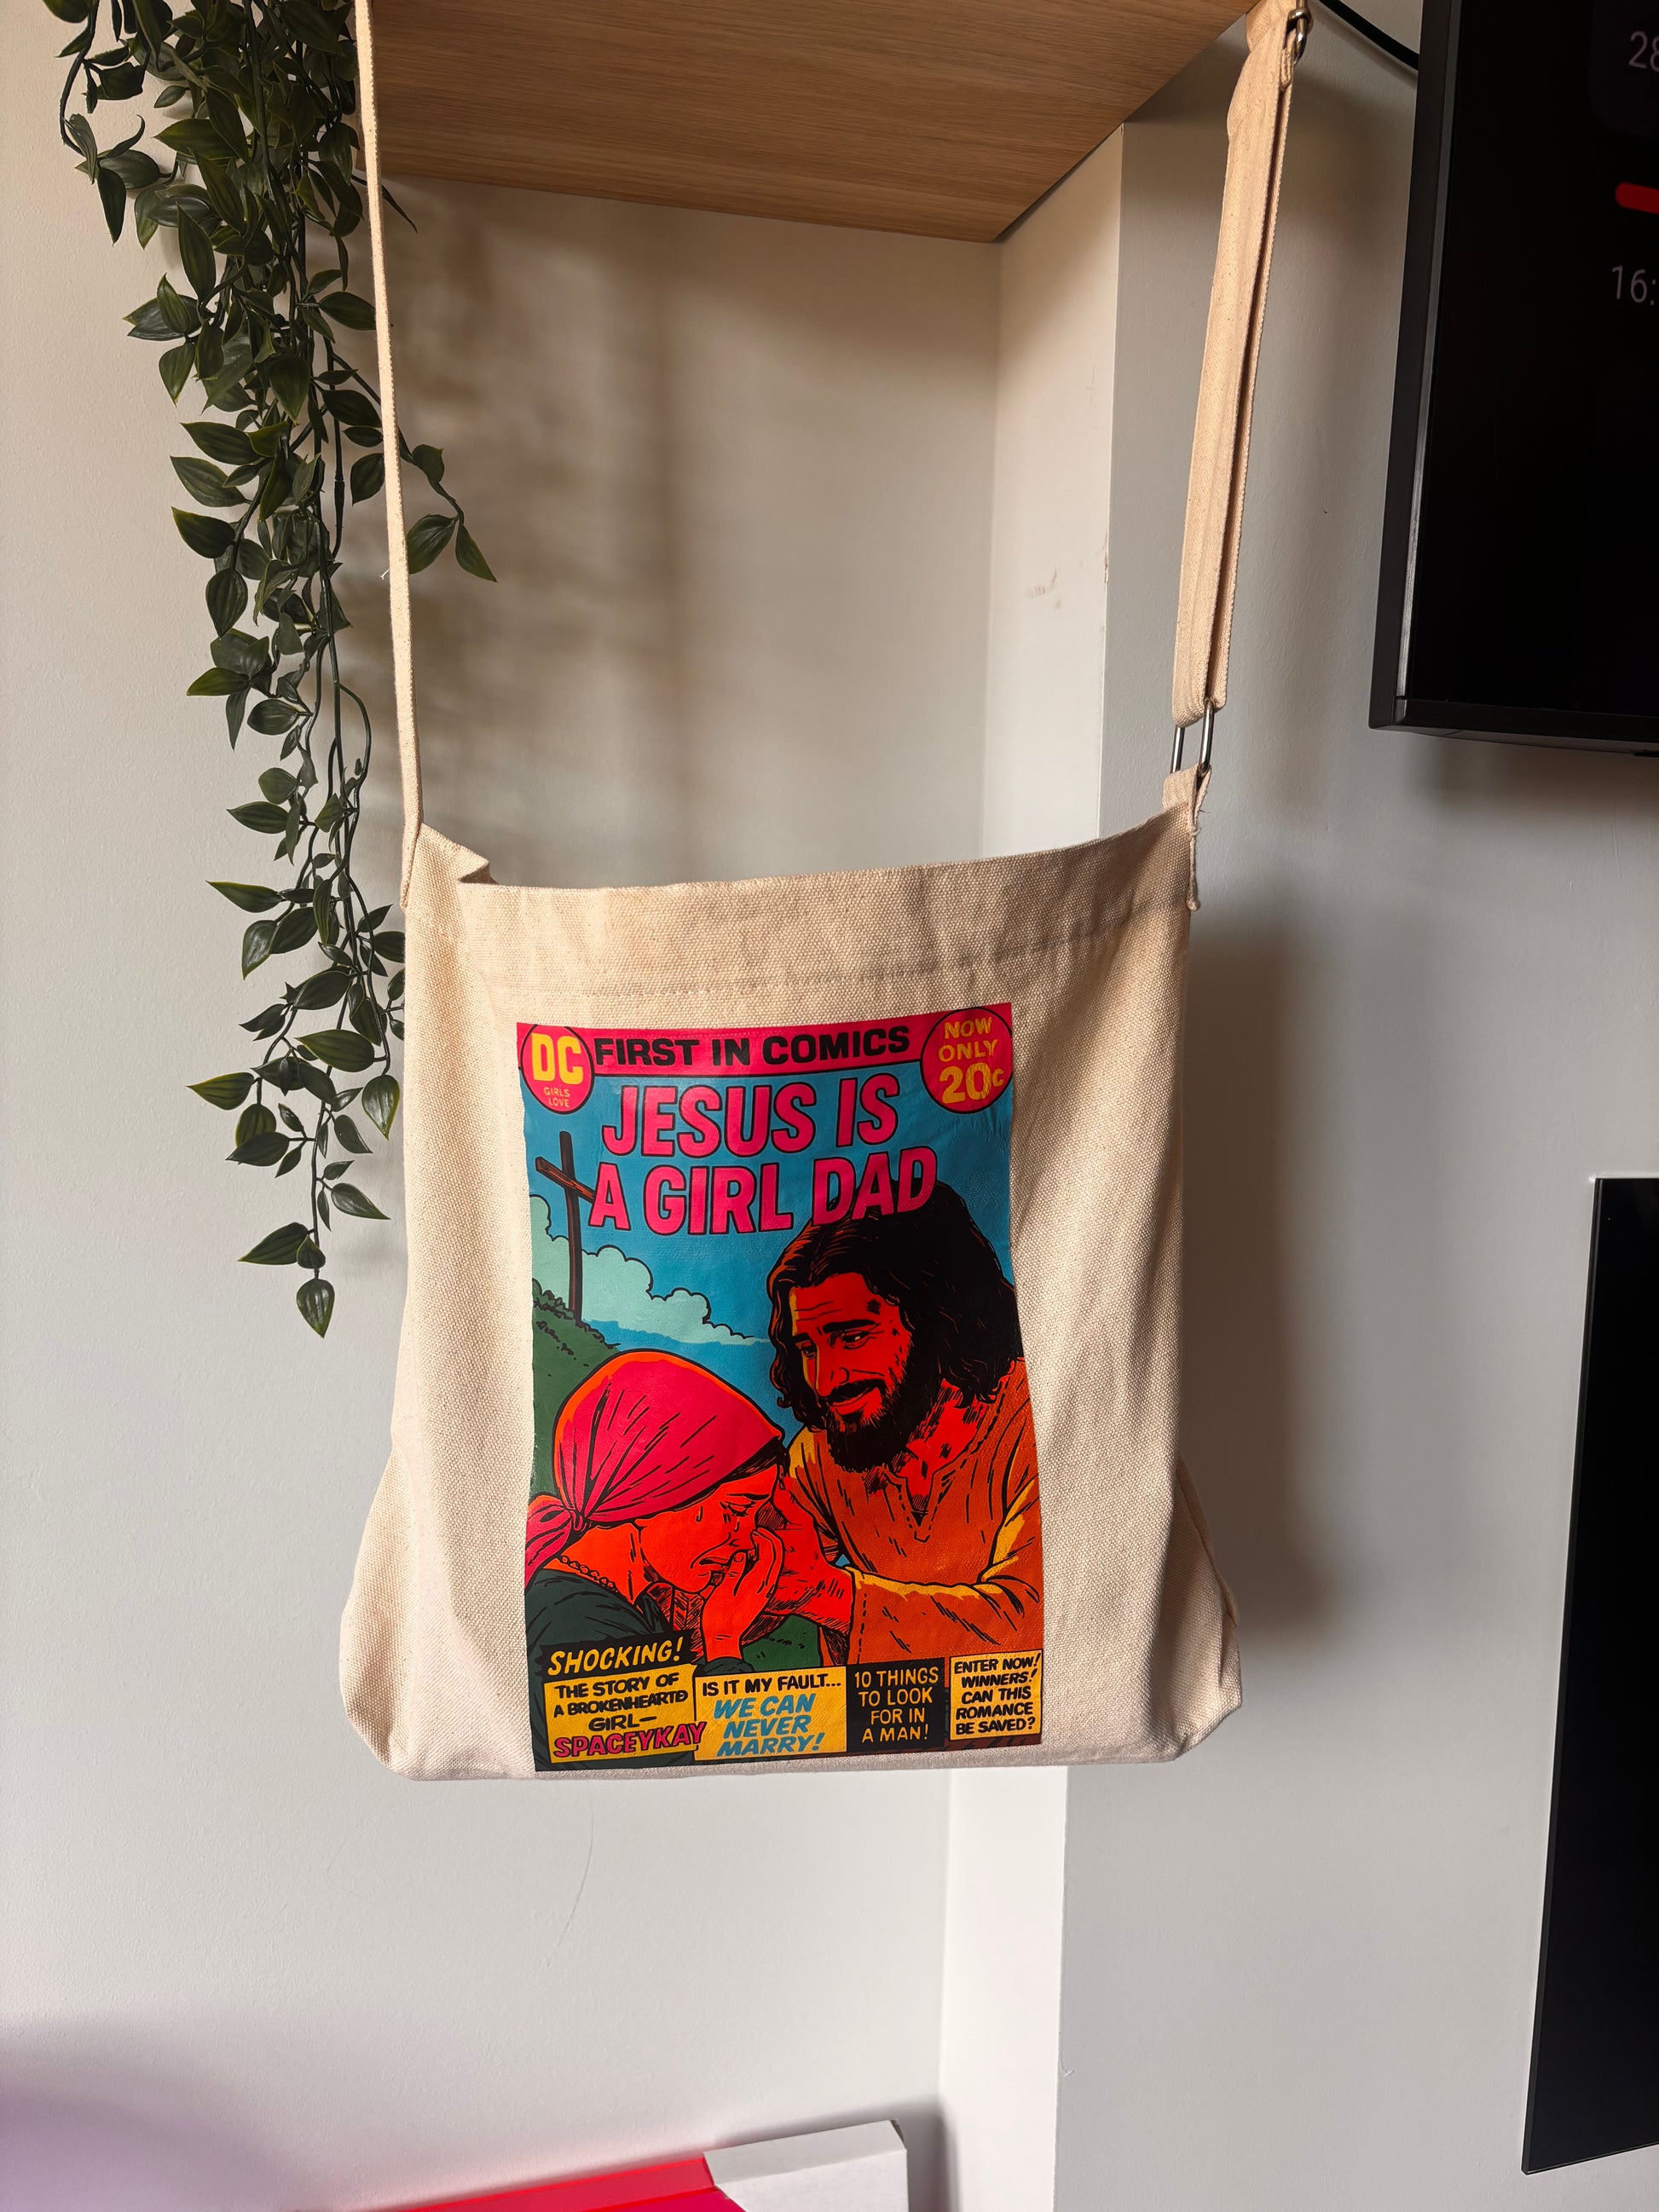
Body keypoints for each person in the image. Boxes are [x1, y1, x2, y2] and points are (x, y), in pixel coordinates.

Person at [760, 1183, 1042, 1663]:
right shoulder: (824, 1450)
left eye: (852, 1337)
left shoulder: (1027, 1419)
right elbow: (758, 1580)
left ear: (936, 1319)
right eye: (808, 1347)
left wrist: (832, 1595)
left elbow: (1027, 1620)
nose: (825, 1381)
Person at [524, 1350, 783, 1765]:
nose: (746, 1540)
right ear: (653, 1496)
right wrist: (722, 1642)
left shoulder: (630, 1603)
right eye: (736, 1510)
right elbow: (672, 1766)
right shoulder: (576, 1620)